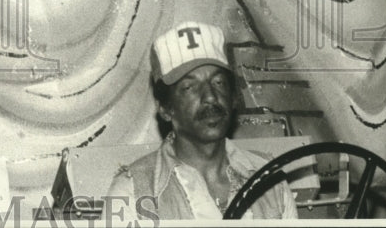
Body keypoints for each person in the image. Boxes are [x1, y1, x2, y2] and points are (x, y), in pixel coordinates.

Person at [105, 21, 298, 221]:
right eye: (190, 87)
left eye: (218, 82)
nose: (211, 97)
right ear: (165, 109)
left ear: (233, 97)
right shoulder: (132, 191)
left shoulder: (270, 181)